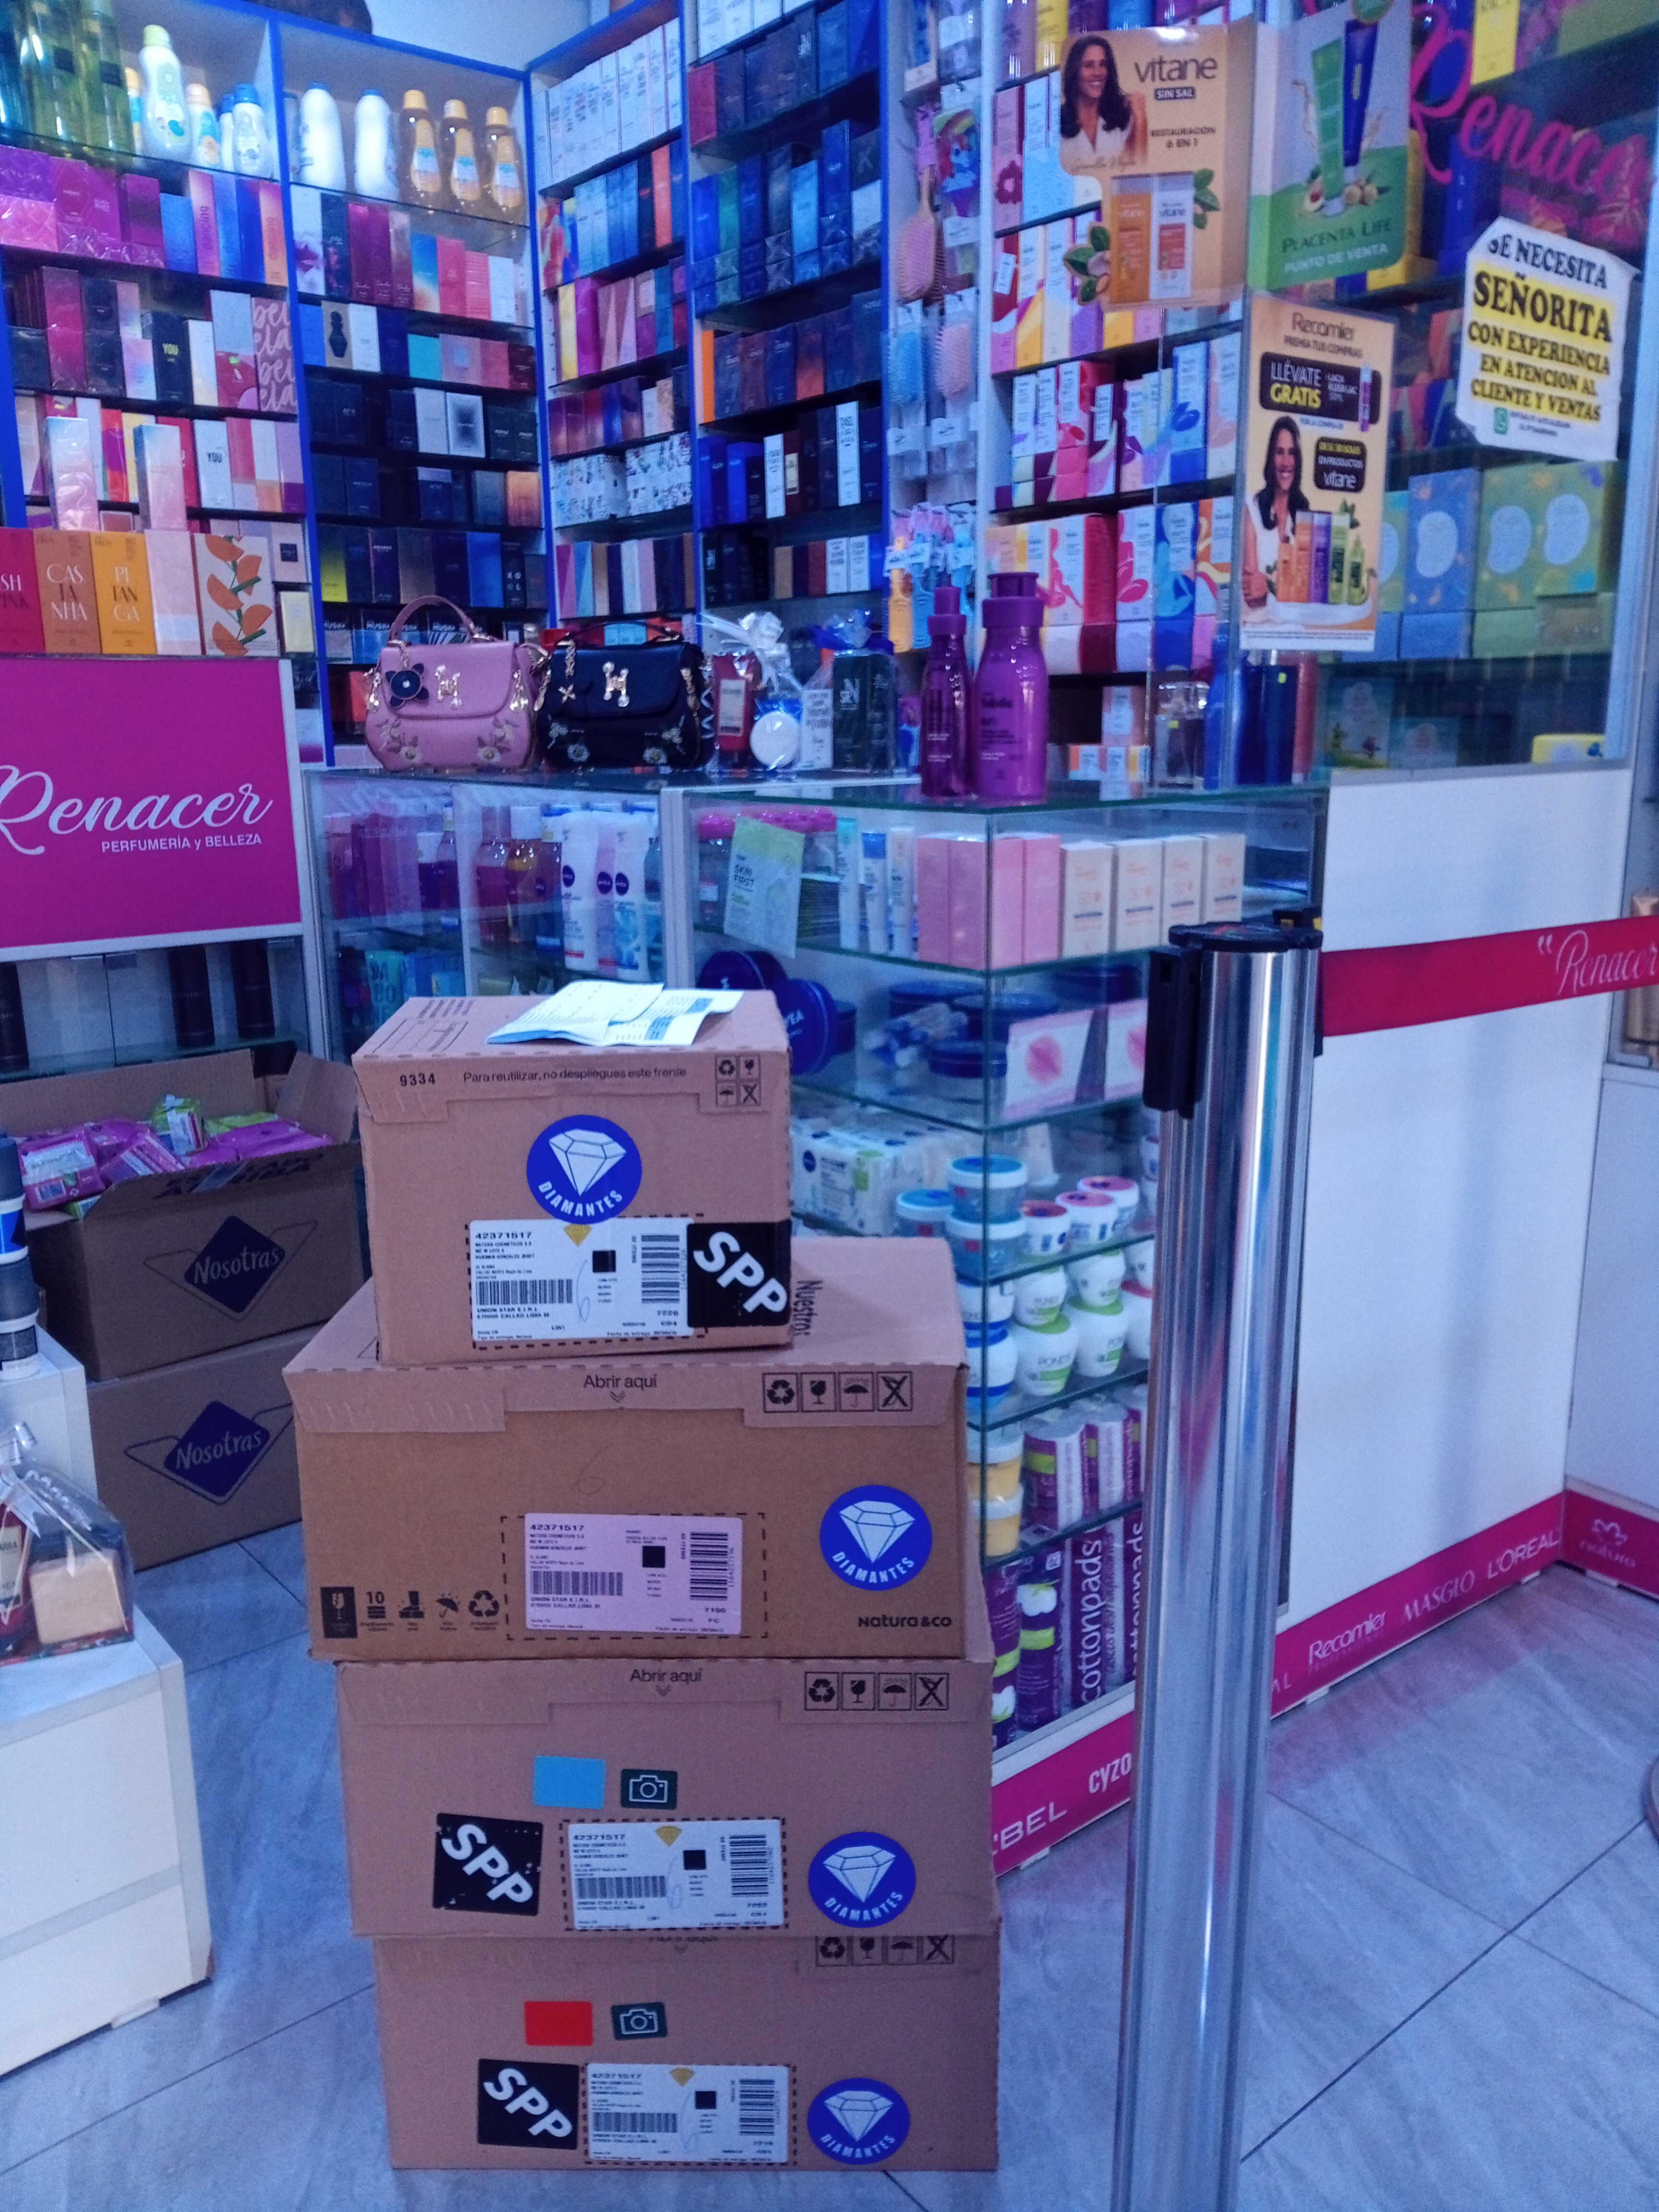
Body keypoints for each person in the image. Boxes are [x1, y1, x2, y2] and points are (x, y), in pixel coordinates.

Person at [1241, 416, 1311, 609]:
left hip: (1296, 624)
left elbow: (1309, 589)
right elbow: (1252, 595)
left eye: (1292, 453)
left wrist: (1269, 586)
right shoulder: (1252, 508)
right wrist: (1290, 587)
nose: (1286, 462)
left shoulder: (1304, 513)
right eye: (1280, 452)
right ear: (1271, 458)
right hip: (1259, 624)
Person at [1057, 36, 1144, 179]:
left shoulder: (1121, 119)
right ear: (1075, 71)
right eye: (1089, 65)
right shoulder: (1057, 123)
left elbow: (1139, 169)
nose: (1098, 73)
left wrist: (1140, 118)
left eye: (1103, 65)